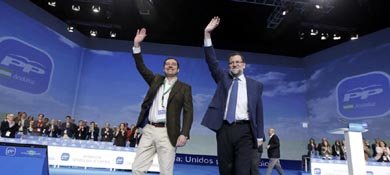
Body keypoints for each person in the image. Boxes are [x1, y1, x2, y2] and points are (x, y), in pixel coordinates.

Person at [201, 16, 265, 175]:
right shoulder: (223, 78)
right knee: (226, 169)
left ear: (244, 65)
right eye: (231, 63)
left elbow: (259, 112)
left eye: (237, 62)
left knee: (243, 170)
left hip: (245, 131)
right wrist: (207, 34)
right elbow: (212, 61)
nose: (234, 64)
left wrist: (260, 135)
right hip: (224, 129)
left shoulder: (255, 85)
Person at [131, 28, 193, 175]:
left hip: (168, 132)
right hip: (149, 130)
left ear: (178, 69)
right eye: (167, 64)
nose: (170, 65)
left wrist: (184, 133)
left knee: (166, 171)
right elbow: (141, 68)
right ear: (164, 68)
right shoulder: (156, 81)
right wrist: (136, 46)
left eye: (173, 64)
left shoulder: (184, 88)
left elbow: (188, 112)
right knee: (137, 169)